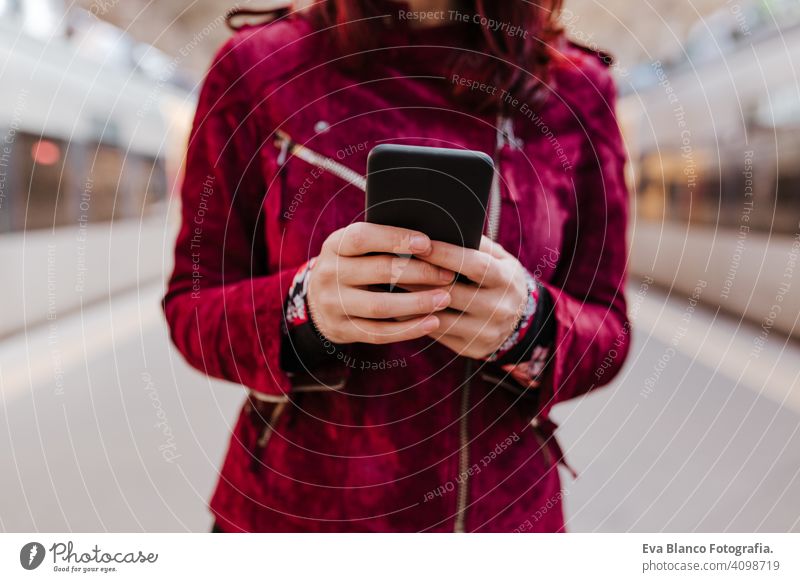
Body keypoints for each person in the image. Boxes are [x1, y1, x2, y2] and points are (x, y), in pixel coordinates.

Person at [163, 0, 630, 532]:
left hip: (498, 519)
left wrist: (529, 326)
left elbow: (609, 331)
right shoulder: (258, 67)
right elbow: (192, 308)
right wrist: (303, 310)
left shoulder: (574, 88)